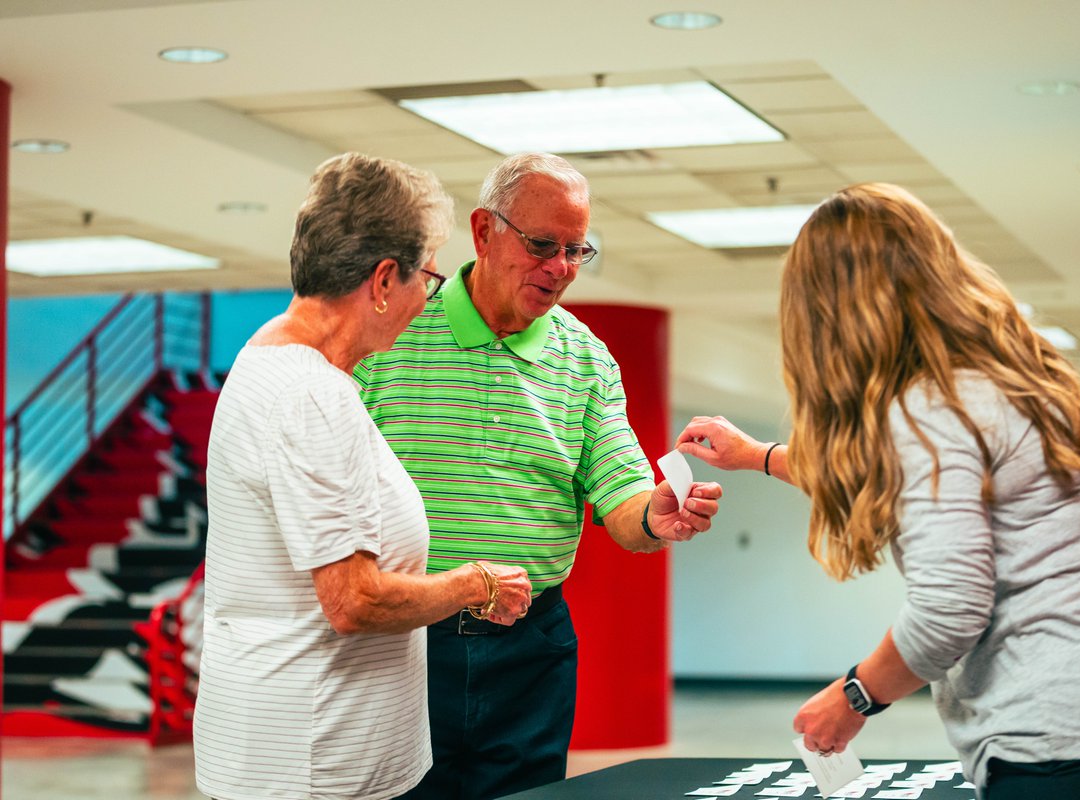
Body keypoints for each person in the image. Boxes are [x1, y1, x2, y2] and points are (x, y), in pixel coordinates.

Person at [675, 182, 1080, 799]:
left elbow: (951, 608)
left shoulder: (931, 407)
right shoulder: (1015, 388)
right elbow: (883, 473)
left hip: (1057, 741)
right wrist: (758, 456)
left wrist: (854, 695)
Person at [355, 152, 723, 800]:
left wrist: (655, 514)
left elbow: (624, 496)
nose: (560, 268)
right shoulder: (395, 331)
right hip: (403, 645)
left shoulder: (586, 358)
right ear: (483, 231)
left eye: (576, 250)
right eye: (542, 245)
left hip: (530, 650)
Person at [193, 152, 532, 800]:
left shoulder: (276, 357)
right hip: (311, 762)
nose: (424, 300)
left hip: (298, 751)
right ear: (382, 280)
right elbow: (353, 601)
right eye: (426, 279)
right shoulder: (309, 394)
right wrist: (473, 584)